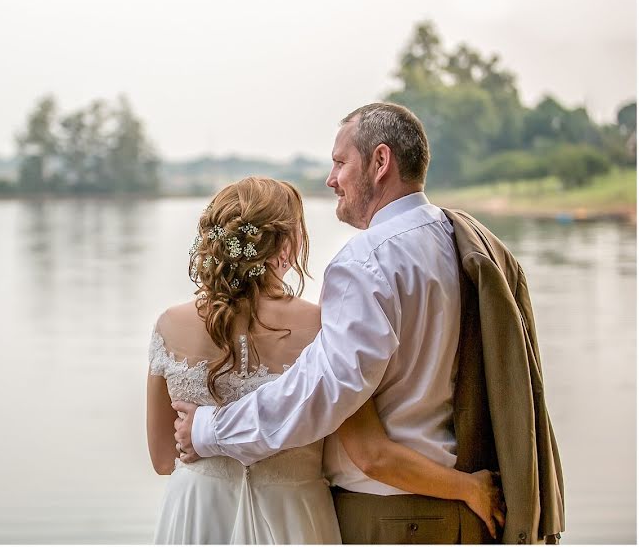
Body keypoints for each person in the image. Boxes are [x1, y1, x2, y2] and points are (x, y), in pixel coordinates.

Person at [173, 103, 564, 544]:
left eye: (340, 162)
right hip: (466, 511)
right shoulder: (460, 242)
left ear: (380, 163)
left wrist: (211, 430)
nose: (331, 178)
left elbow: (325, 389)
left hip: (390, 518)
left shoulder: (366, 261)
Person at [148, 176, 505, 544]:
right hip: (292, 515)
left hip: (197, 512)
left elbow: (162, 459)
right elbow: (367, 450)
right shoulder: (322, 324)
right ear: (288, 244)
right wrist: (467, 487)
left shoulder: (169, 325)